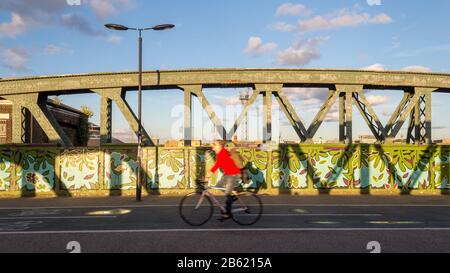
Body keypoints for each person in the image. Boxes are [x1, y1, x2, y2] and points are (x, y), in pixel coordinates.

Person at [205, 140, 241, 220]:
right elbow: (217, 165)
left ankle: (227, 214)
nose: (212, 145)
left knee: (228, 195)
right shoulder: (220, 153)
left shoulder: (223, 153)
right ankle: (233, 195)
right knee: (218, 186)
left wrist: (207, 176)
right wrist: (208, 176)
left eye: (214, 144)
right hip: (227, 174)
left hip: (233, 174)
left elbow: (216, 166)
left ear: (220, 146)